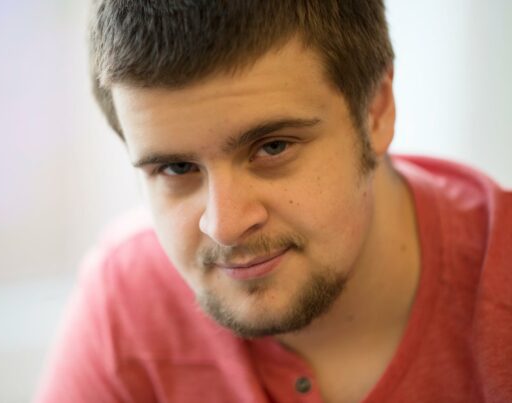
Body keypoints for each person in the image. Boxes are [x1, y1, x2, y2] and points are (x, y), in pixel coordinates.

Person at [35, 1, 512, 402]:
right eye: (177, 168)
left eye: (273, 147)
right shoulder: (128, 299)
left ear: (377, 110)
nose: (224, 225)